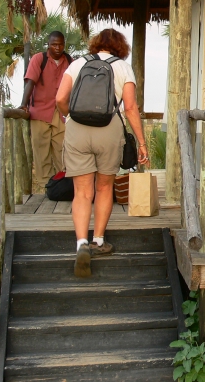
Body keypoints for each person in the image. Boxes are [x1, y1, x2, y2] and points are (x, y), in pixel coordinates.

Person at [55, 28, 148, 277]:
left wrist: (71, 116)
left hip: (77, 129)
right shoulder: (123, 67)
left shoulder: (77, 64)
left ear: (96, 44)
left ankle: (81, 244)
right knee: (104, 188)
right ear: (121, 47)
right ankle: (98, 240)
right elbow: (130, 107)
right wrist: (141, 142)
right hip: (109, 129)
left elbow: (60, 98)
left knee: (82, 192)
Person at [17, 31, 72, 193]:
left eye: (60, 44)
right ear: (48, 45)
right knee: (41, 150)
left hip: (61, 112)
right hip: (40, 111)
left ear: (64, 44)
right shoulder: (39, 59)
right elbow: (30, 82)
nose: (57, 48)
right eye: (54, 44)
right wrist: (23, 104)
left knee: (62, 149)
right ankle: (45, 186)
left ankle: (63, 185)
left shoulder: (69, 61)